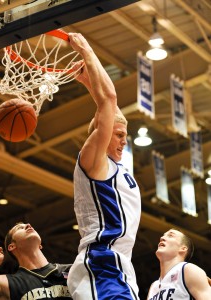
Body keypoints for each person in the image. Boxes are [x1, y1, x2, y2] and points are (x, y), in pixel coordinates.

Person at [67, 33, 141, 300]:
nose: (124, 140)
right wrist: (86, 49)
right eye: (119, 134)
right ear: (101, 133)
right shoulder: (93, 159)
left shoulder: (116, 166)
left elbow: (110, 109)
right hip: (102, 262)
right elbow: (108, 100)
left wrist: (88, 81)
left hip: (120, 266)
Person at [0, 222, 72, 299]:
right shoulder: (6, 283)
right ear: (11, 246)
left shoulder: (71, 270)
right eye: (20, 228)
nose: (28, 225)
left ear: (40, 245)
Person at [147, 228, 211, 300]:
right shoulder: (154, 286)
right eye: (163, 236)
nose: (162, 238)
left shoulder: (188, 270)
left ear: (183, 248)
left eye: (170, 235)